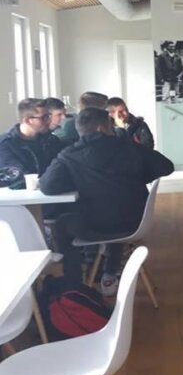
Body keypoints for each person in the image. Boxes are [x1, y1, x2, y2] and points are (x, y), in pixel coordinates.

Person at [39, 108, 173, 294]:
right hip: (136, 221)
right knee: (113, 209)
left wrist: (76, 180)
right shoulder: (128, 147)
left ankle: (74, 281)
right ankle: (109, 272)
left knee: (62, 223)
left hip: (97, 226)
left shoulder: (69, 154)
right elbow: (166, 167)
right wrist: (139, 177)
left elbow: (48, 187)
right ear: (102, 128)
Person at [0, 99, 65, 189]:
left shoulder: (52, 140)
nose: (49, 121)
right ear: (27, 120)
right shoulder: (5, 145)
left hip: (52, 192)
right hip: (20, 195)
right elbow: (16, 177)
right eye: (44, 117)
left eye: (49, 116)